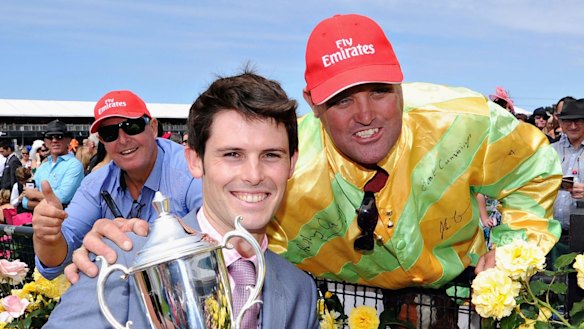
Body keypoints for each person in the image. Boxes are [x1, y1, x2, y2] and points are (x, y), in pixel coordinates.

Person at [72, 14, 562, 291]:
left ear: (401, 81)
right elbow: (216, 223)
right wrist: (129, 244)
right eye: (342, 100)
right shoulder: (283, 161)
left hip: (466, 289)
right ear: (312, 104)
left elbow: (534, 169)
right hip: (355, 303)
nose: (366, 114)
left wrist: (512, 251)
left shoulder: (466, 120)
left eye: (379, 91)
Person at [44, 71, 318, 329]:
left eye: (271, 155)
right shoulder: (122, 256)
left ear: (291, 163)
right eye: (232, 154)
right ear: (195, 161)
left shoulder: (300, 291)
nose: (254, 175)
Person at [32, 90, 202, 279]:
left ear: (153, 128)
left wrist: (139, 239)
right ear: (103, 140)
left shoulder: (187, 169)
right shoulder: (95, 184)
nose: (122, 139)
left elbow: (216, 231)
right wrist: (47, 236)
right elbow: (55, 262)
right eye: (109, 133)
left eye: (132, 126)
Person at [22, 120, 84, 212]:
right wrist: (54, 202)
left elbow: (63, 198)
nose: (54, 140)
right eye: (50, 137)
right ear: (46, 141)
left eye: (59, 137)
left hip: (64, 223)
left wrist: (35, 195)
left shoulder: (74, 165)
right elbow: (25, 202)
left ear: (68, 140)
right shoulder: (43, 167)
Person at [551, 99, 584, 258]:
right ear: (561, 123)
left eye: (578, 121)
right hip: (553, 233)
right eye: (568, 121)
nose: (573, 126)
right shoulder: (549, 151)